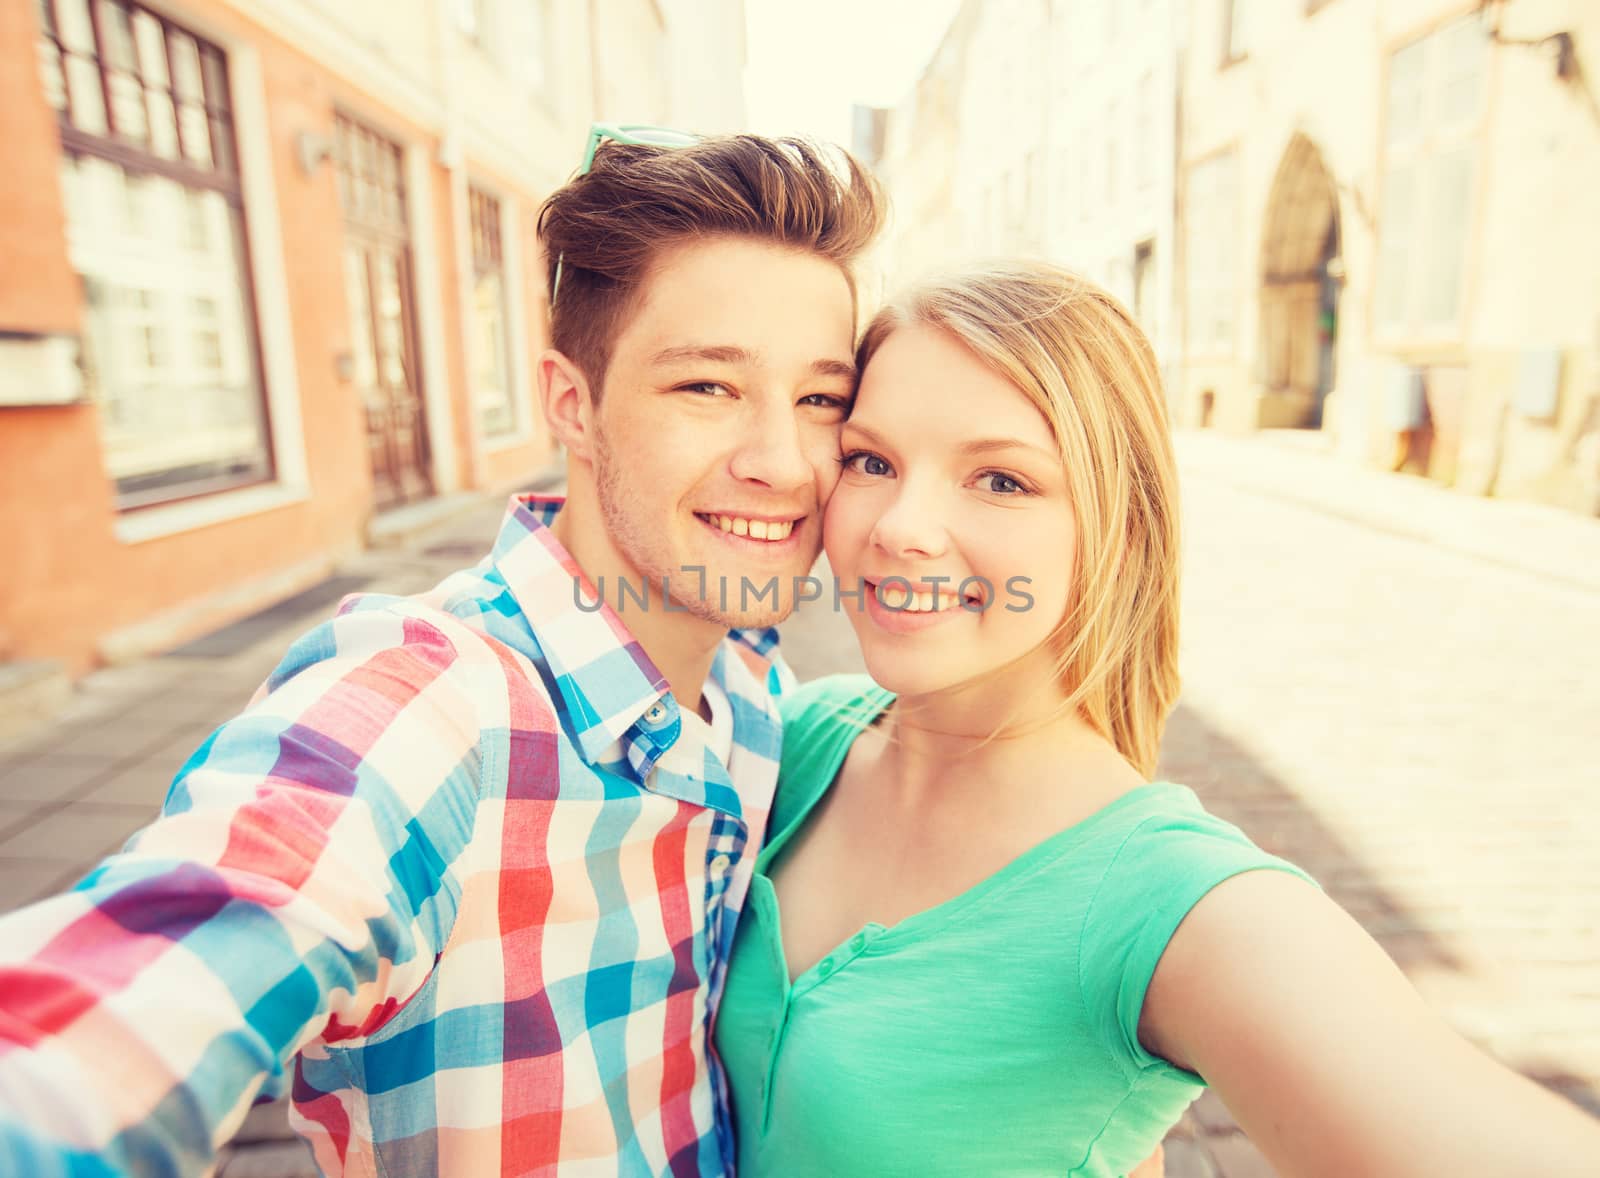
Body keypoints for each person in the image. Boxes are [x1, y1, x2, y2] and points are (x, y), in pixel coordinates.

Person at [0, 127, 883, 1176]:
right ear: (572, 403)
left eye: (819, 398)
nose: (783, 462)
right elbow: (144, 983)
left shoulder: (751, 693)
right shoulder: (432, 701)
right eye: (706, 387)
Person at [713, 262, 1600, 1176]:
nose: (902, 526)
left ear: (1118, 526)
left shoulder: (1171, 901)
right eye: (872, 461)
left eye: (1003, 481)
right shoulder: (792, 739)